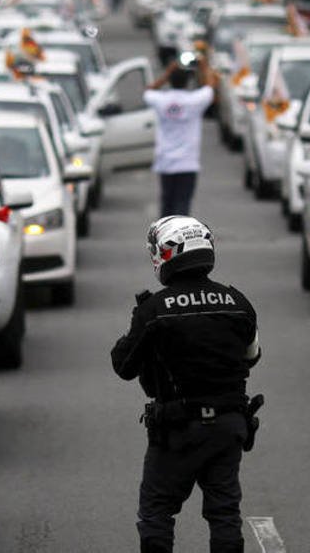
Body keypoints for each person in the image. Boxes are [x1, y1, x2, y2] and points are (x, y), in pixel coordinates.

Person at [112, 216, 263, 553]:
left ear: (163, 255)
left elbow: (123, 365)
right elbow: (252, 356)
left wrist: (140, 327)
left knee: (157, 512)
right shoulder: (238, 303)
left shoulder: (154, 310)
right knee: (225, 514)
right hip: (228, 426)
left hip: (177, 430)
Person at [144, 45, 219, 217]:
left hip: (166, 162)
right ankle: (180, 240)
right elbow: (211, 87)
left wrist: (167, 73)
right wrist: (203, 65)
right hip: (187, 163)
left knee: (167, 205)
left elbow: (148, 91)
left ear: (171, 80)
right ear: (187, 82)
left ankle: (163, 240)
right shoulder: (194, 102)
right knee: (182, 205)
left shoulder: (161, 100)